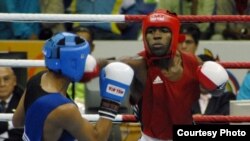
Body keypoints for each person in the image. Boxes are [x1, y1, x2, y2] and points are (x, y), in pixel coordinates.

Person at [96, 9, 229, 140]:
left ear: (175, 35)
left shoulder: (194, 63)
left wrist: (217, 86)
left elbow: (217, 93)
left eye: (164, 30)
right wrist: (84, 59)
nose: (156, 36)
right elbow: (105, 63)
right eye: (151, 31)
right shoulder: (139, 65)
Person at [12, 32, 134, 141]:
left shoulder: (37, 79)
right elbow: (97, 139)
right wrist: (111, 101)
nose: (87, 63)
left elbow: (17, 121)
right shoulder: (65, 109)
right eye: (84, 58)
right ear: (73, 63)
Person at [0, 67, 24, 140]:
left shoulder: (24, 101)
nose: (2, 84)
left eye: (6, 79)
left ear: (14, 81)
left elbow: (22, 134)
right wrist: (11, 124)